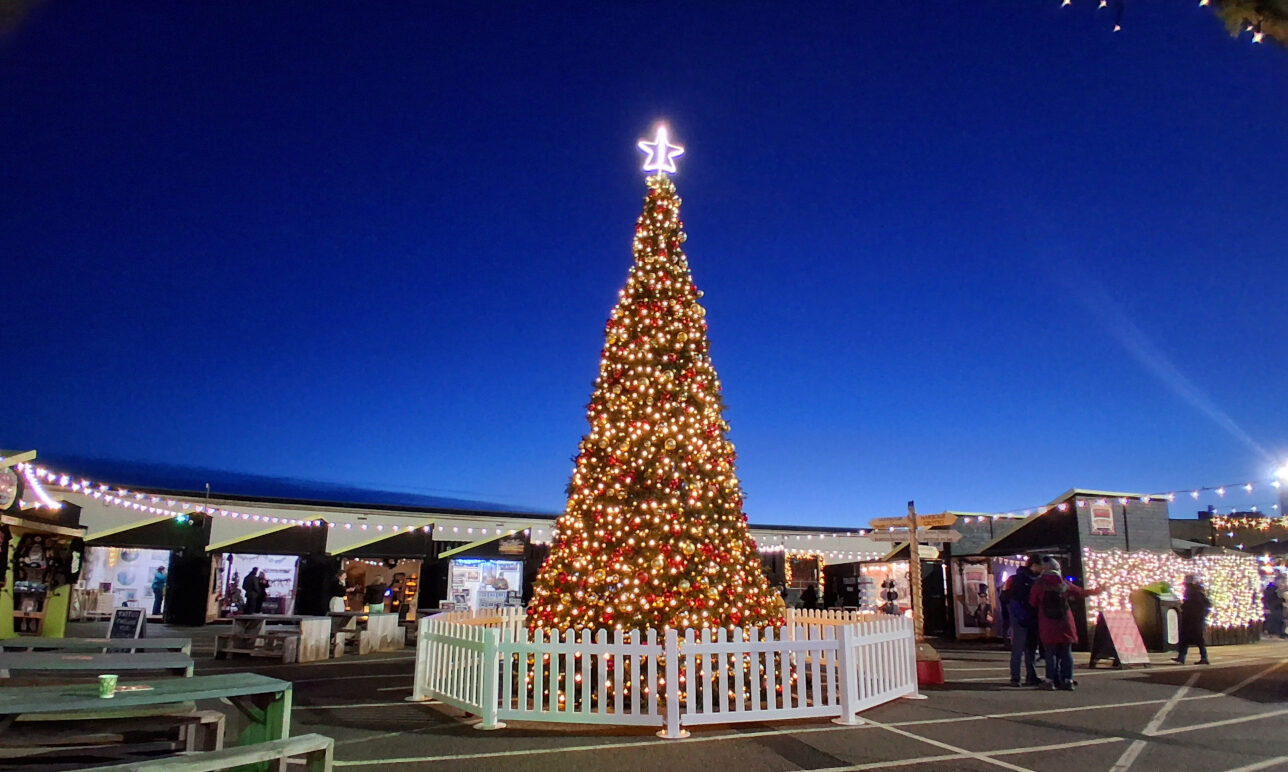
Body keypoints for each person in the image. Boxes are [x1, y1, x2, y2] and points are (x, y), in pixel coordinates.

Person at [1029, 556, 1102, 691]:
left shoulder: (1039, 584)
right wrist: (1096, 591)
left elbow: (1033, 602)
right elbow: (1080, 592)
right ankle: (1067, 680)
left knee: (1051, 653)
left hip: (1048, 622)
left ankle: (1050, 680)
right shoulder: (1063, 583)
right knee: (1066, 652)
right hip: (1065, 621)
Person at [1001, 557, 1041, 687]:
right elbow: (1013, 600)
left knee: (1029, 648)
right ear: (1034, 565)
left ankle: (1028, 675)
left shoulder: (1018, 578)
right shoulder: (1021, 580)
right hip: (1022, 617)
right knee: (1021, 648)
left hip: (1025, 617)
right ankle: (1017, 677)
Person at [1174, 574, 1211, 665]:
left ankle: (1203, 657)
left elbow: (1195, 606)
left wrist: (1184, 608)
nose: (1185, 586)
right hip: (1192, 619)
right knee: (1186, 638)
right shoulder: (1196, 592)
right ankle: (1181, 657)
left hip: (1194, 619)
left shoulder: (1195, 593)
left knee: (1197, 639)